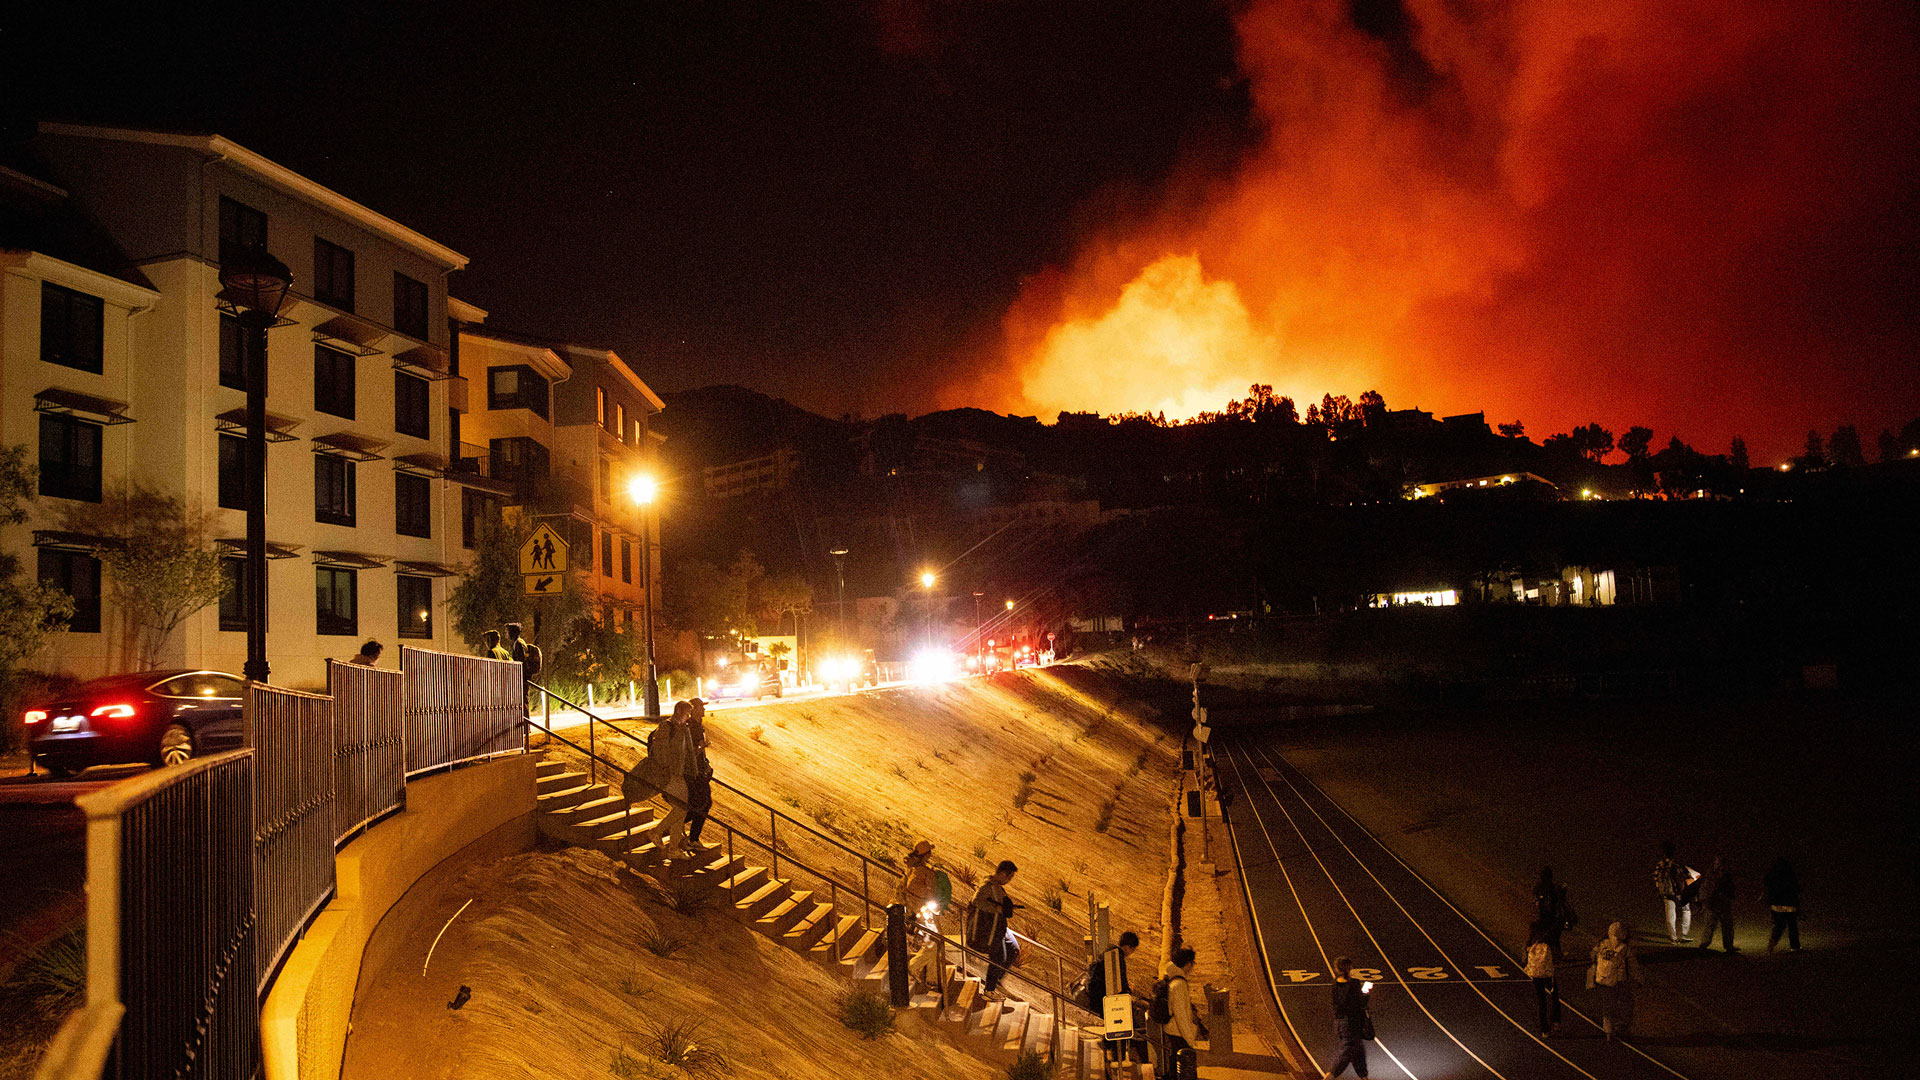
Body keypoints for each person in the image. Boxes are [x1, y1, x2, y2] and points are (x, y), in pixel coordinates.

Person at [622, 701, 693, 856]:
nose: (688, 717)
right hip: (667, 774)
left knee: (681, 808)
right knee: (682, 807)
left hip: (676, 773)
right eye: (687, 714)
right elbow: (660, 752)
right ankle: (657, 832)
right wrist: (667, 770)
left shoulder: (682, 728)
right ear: (679, 711)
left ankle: (673, 848)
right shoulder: (666, 727)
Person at [1087, 931, 1143, 1066]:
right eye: (1133, 949)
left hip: (1099, 996)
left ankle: (1110, 1050)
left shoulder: (1110, 951)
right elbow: (1120, 982)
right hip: (1105, 999)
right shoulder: (1117, 956)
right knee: (1122, 1026)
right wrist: (1128, 995)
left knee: (1114, 1027)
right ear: (1129, 947)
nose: (1132, 953)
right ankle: (1118, 1059)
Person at [969, 860, 1019, 995]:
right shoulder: (987, 885)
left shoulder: (998, 887)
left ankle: (995, 981)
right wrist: (998, 909)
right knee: (998, 958)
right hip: (989, 928)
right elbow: (977, 901)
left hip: (999, 926)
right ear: (1003, 873)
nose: (1009, 880)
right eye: (1009, 877)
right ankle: (989, 990)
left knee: (1013, 949)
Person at [1157, 946, 1206, 1080]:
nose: (1193, 967)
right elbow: (1181, 1015)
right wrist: (1189, 1038)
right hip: (1177, 1031)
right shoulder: (1179, 984)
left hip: (1173, 1029)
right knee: (1182, 1063)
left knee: (1175, 1061)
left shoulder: (1173, 978)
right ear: (1188, 964)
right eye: (1192, 963)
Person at [1322, 955, 1371, 1078]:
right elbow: (1360, 1003)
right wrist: (1366, 993)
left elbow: (1337, 1003)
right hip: (1352, 1023)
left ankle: (1364, 1076)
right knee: (1347, 1051)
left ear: (1336, 969)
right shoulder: (1354, 984)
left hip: (1339, 1022)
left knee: (1358, 1049)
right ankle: (1330, 1076)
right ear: (1350, 968)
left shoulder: (1334, 983)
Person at [1589, 920, 1637, 1039]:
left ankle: (1608, 1031)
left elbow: (1592, 956)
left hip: (1603, 979)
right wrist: (1637, 979)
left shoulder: (1602, 943)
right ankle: (1621, 1026)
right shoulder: (1624, 947)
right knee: (1623, 1003)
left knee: (1607, 1005)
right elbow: (1632, 965)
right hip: (1619, 980)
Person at [681, 698, 714, 856]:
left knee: (702, 804)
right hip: (694, 773)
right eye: (701, 707)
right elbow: (690, 751)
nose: (704, 710)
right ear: (693, 710)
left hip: (699, 771)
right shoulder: (691, 727)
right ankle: (673, 829)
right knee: (702, 804)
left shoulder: (696, 726)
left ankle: (687, 835)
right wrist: (702, 747)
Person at [1654, 841, 1698, 944]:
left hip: (1666, 893)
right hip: (1678, 892)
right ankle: (1684, 934)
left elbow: (1656, 879)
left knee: (1670, 916)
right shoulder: (1676, 864)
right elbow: (1688, 876)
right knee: (1686, 910)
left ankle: (1673, 938)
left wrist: (1660, 890)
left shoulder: (1659, 865)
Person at [1525, 921, 1562, 1036]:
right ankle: (1556, 1021)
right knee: (1554, 995)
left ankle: (1544, 1029)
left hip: (1536, 973)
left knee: (1541, 1000)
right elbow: (1557, 955)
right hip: (1547, 973)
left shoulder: (1532, 940)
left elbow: (1526, 949)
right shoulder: (1550, 939)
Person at [1533, 866, 1574, 960]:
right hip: (1550, 916)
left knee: (1550, 936)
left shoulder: (1540, 887)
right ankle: (1554, 955)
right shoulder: (1551, 888)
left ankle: (1553, 954)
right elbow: (1557, 900)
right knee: (1552, 936)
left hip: (1544, 916)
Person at [1697, 857, 1736, 952]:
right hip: (1713, 903)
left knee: (1727, 925)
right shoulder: (1711, 875)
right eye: (1718, 864)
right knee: (1710, 924)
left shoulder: (1725, 875)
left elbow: (1730, 888)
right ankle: (1704, 944)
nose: (1719, 866)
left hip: (1722, 903)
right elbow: (1706, 888)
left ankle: (1728, 946)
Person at [1764, 858, 1801, 953]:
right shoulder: (1790, 875)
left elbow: (1767, 885)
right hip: (1790, 905)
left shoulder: (1772, 875)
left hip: (1777, 905)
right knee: (1792, 925)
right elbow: (1796, 889)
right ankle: (1795, 946)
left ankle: (1771, 945)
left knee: (1779, 926)